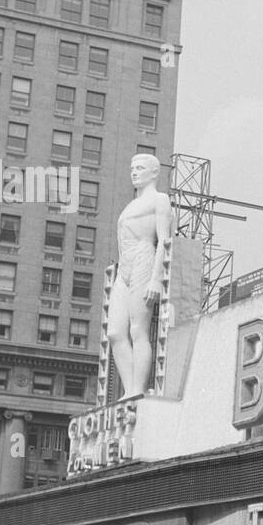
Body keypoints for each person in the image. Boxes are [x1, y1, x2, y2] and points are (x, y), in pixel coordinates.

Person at [107, 152, 173, 397]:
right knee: (115, 332)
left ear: (154, 172)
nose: (134, 172)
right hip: (124, 267)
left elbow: (165, 240)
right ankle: (129, 389)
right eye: (132, 168)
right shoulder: (129, 206)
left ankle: (137, 389)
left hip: (145, 257)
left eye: (140, 168)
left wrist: (156, 278)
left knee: (138, 330)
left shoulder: (160, 199)